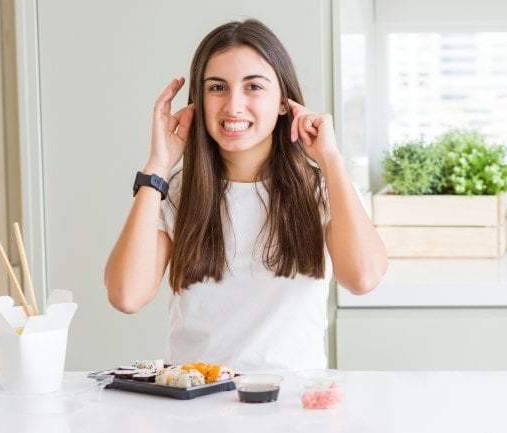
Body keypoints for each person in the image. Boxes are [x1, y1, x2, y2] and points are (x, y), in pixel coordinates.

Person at [104, 19, 387, 372]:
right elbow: (126, 295)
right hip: (197, 409)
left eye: (253, 86)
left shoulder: (321, 190)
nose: (233, 106)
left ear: (284, 103)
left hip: (292, 409)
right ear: (198, 101)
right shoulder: (175, 192)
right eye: (217, 88)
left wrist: (330, 159)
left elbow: (363, 277)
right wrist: (157, 167)